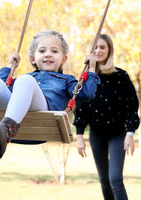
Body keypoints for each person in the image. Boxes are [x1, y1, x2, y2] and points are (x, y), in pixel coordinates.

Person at [0, 30, 100, 162]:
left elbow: (85, 93)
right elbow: (0, 89)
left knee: (26, 80)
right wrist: (9, 67)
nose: (48, 55)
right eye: (42, 51)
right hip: (18, 114)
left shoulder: (66, 80)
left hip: (45, 113)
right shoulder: (21, 82)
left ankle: (5, 131)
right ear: (32, 58)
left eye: (54, 51)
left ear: (63, 59)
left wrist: (91, 68)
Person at [73, 34, 140, 200]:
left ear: (109, 50)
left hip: (118, 133)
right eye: (95, 47)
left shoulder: (121, 77)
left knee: (115, 179)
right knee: (104, 180)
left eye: (102, 47)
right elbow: (81, 108)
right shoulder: (86, 79)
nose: (98, 50)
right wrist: (79, 135)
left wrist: (130, 133)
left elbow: (132, 106)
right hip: (97, 134)